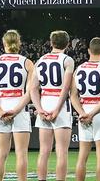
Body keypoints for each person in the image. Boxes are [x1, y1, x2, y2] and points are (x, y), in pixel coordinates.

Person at [0, 30, 33, 181]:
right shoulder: (27, 62)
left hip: (2, 107)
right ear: (19, 43)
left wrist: (0, 111)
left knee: (1, 154)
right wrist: (16, 110)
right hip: (20, 108)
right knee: (21, 153)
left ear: (4, 43)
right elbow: (30, 92)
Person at [31, 31, 74, 181]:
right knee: (61, 151)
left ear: (51, 42)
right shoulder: (67, 60)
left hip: (45, 101)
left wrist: (39, 109)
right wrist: (57, 109)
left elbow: (33, 89)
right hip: (60, 105)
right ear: (68, 44)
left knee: (44, 151)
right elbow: (66, 88)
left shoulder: (40, 60)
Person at [72, 38, 100, 181]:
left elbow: (73, 96)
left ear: (89, 51)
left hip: (84, 111)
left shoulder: (78, 69)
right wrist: (91, 114)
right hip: (99, 113)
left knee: (82, 156)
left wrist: (82, 113)